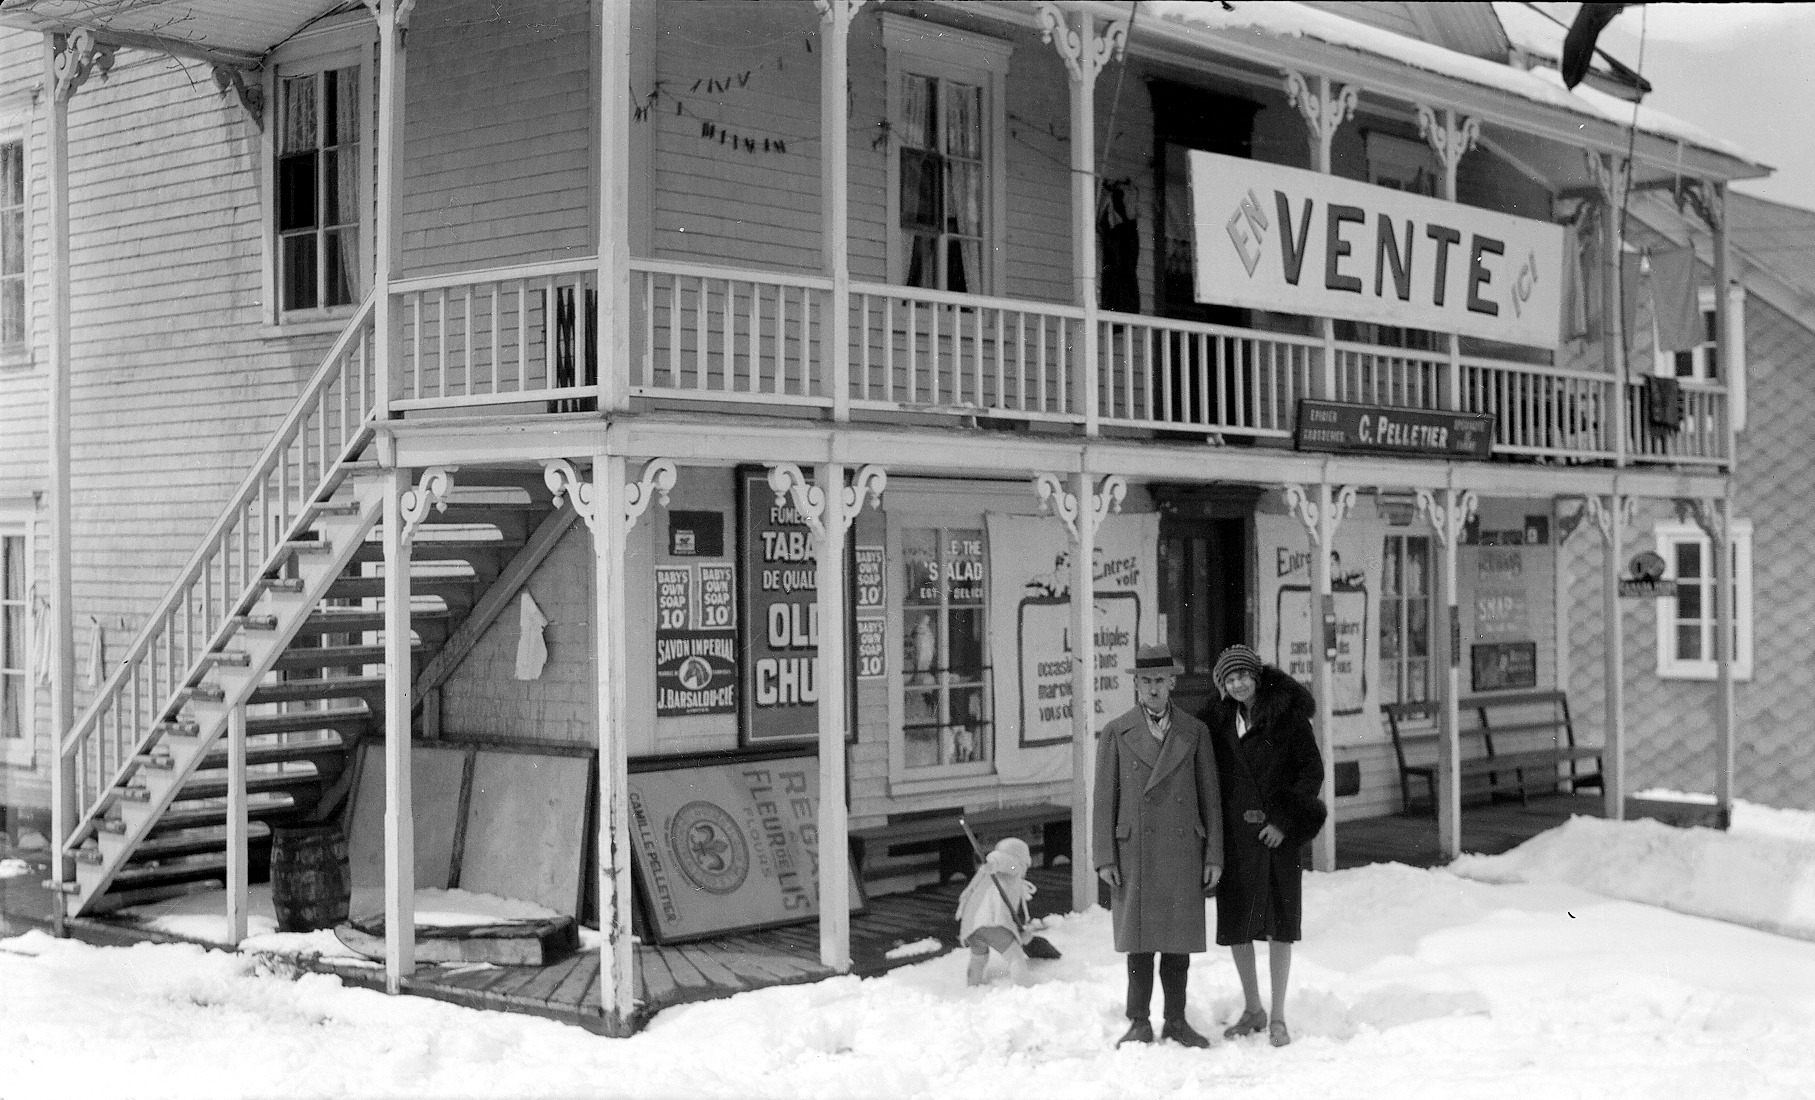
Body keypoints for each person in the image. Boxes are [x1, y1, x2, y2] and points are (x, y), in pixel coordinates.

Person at [1092, 643, 1224, 1048]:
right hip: (1135, 852)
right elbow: (1103, 800)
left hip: (1183, 850)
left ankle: (1177, 1020)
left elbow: (1210, 796)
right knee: (1139, 943)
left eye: (1159, 681)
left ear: (1172, 683)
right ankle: (1138, 1021)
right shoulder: (1116, 731)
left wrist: (1214, 853)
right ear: (1136, 685)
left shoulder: (1194, 731)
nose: (1152, 688)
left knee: (1178, 941)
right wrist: (1103, 857)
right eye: (1145, 681)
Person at [1199, 643, 1326, 1049]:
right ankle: (1253, 1008)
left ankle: (1278, 1016)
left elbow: (1311, 772)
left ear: (1257, 676)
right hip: (1237, 841)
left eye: (1243, 675)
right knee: (1238, 924)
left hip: (1276, 839)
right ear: (1222, 685)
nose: (1237, 684)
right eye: (1229, 678)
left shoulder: (1287, 719)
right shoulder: (1218, 724)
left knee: (1279, 928)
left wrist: (1284, 822)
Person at [954, 836, 1037, 986]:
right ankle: (1027, 987)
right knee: (1015, 956)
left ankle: (973, 985)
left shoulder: (986, 874)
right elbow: (1007, 863)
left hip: (973, 926)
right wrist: (995, 863)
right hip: (992, 923)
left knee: (978, 958)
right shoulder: (1012, 866)